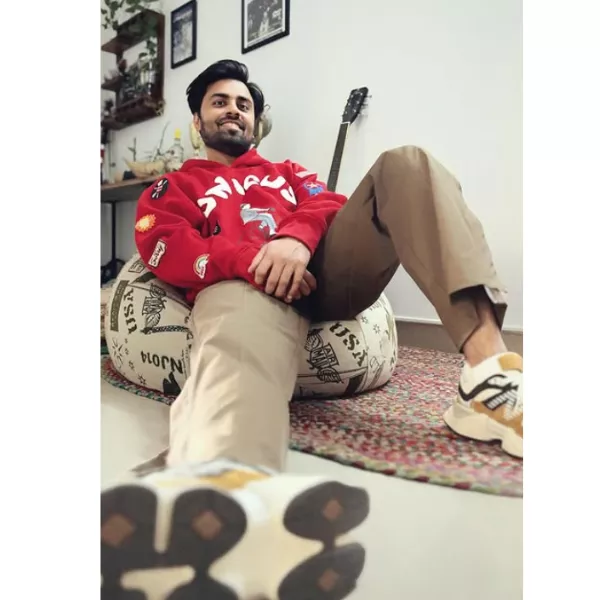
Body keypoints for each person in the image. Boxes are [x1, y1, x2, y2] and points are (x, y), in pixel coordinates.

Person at [101, 59, 523, 599]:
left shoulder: (287, 173)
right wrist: (252, 260)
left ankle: (488, 379)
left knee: (407, 163)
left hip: (325, 275)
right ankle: (219, 494)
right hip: (245, 286)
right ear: (197, 121)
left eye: (243, 104)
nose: (233, 110)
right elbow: (164, 245)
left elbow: (329, 202)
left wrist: (295, 239)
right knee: (236, 330)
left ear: (255, 120)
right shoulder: (174, 186)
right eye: (219, 102)